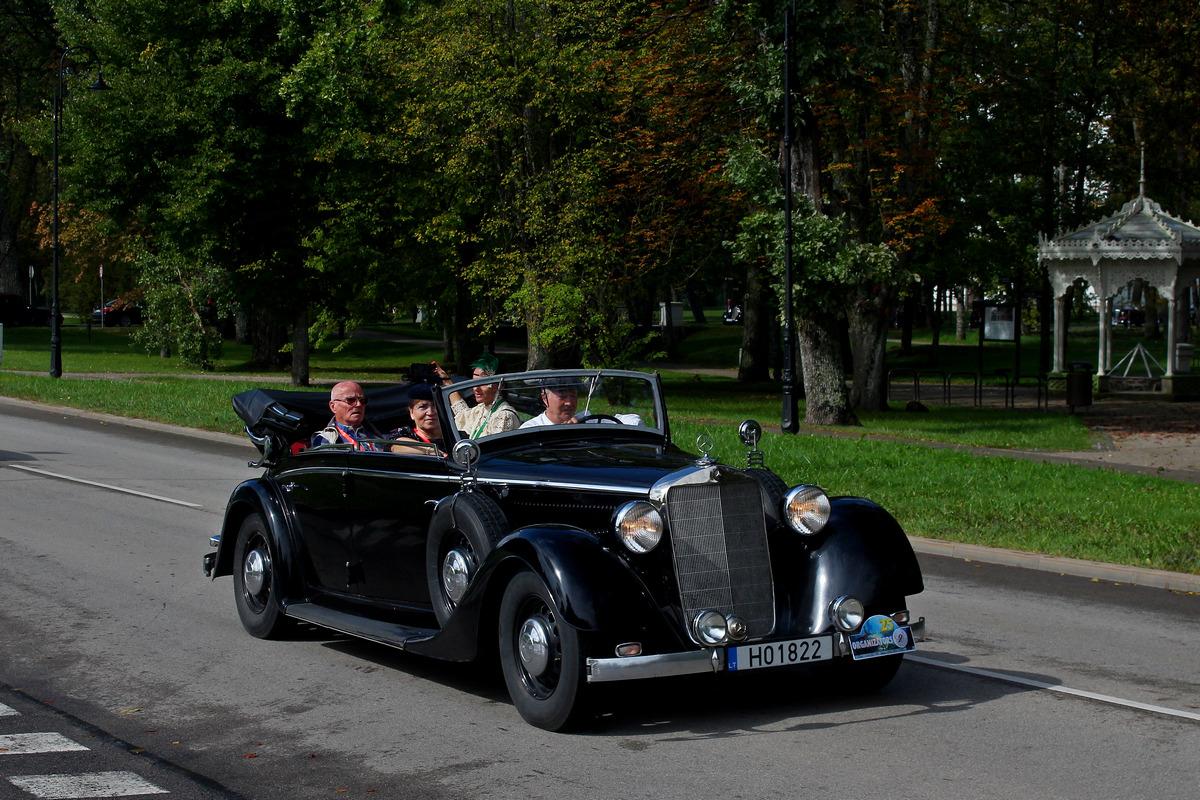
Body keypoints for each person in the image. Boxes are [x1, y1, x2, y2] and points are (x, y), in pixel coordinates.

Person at [434, 354, 520, 438]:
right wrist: (446, 381)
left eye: (483, 384)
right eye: (474, 383)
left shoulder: (504, 415)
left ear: (500, 386)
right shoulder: (482, 409)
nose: (476, 388)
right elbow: (462, 414)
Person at [519, 378, 641, 428]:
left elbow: (634, 421)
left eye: (573, 396)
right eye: (562, 396)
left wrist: (584, 430)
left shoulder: (589, 422)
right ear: (544, 398)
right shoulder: (531, 429)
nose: (569, 403)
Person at [311, 381, 391, 449]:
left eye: (362, 401)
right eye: (350, 400)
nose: (358, 404)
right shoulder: (325, 440)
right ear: (333, 406)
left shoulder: (375, 434)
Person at [389, 383, 450, 456]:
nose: (430, 412)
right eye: (422, 407)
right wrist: (430, 450)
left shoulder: (453, 436)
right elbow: (396, 446)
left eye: (436, 406)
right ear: (411, 412)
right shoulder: (406, 434)